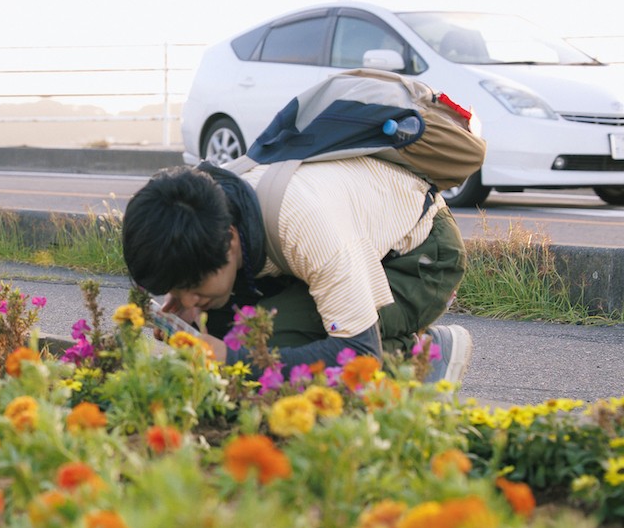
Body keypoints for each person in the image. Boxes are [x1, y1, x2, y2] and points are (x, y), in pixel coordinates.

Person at [122, 157, 472, 383]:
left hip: (420, 258)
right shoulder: (218, 202)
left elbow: (358, 351)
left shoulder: (307, 225)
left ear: (228, 240)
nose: (183, 297)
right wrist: (195, 303)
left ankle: (424, 356)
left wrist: (227, 355)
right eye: (174, 289)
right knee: (230, 328)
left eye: (190, 285)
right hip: (353, 241)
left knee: (265, 345)